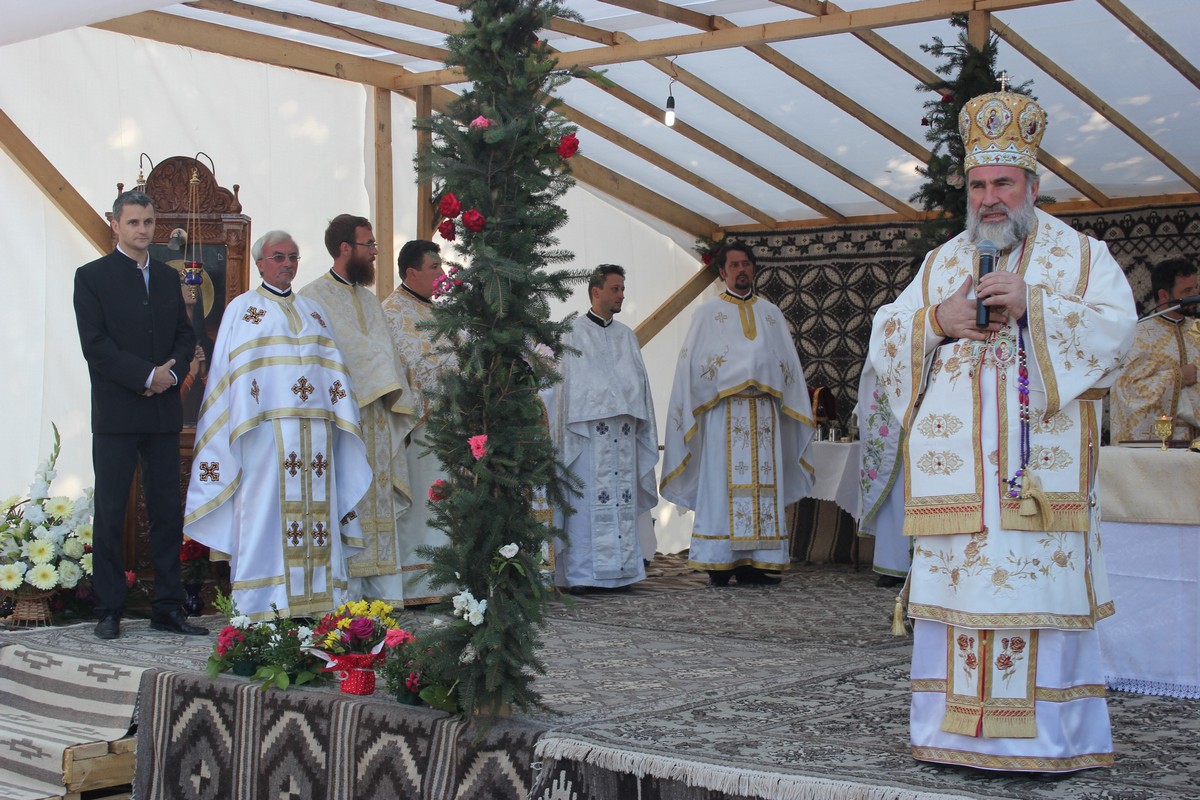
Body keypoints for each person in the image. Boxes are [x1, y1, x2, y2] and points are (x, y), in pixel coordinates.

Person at [868, 90, 1136, 774]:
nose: (990, 199)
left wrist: (1035, 308)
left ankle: (1049, 745)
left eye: (1004, 184)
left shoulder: (1082, 259)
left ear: (1033, 185)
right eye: (980, 184)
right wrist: (937, 322)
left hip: (1034, 491)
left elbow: (1118, 337)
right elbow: (885, 339)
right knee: (960, 601)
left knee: (1035, 598)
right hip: (959, 494)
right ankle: (954, 741)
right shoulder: (940, 265)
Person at [184, 231, 373, 619]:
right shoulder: (243, 309)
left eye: (293, 256)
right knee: (266, 513)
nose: (287, 263)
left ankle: (321, 605)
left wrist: (341, 419)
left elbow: (335, 376)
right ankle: (264, 605)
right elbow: (227, 379)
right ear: (260, 263)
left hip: (317, 436)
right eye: (278, 256)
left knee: (318, 512)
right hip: (264, 435)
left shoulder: (313, 311)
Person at [73, 190, 206, 639]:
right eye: (133, 223)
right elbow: (96, 347)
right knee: (111, 511)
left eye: (149, 222)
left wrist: (171, 370)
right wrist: (147, 375)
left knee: (167, 510)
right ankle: (109, 608)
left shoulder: (169, 280)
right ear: (115, 225)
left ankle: (167, 607)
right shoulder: (91, 277)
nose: (143, 230)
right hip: (116, 412)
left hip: (162, 413)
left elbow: (186, 336)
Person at [660, 242, 815, 586]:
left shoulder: (771, 314)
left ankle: (759, 561)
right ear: (723, 272)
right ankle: (722, 561)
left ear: (753, 269)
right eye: (735, 265)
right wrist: (731, 376)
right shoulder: (706, 314)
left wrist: (764, 376)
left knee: (764, 484)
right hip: (723, 414)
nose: (742, 269)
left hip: (763, 413)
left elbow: (787, 365)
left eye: (746, 264)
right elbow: (693, 368)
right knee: (721, 484)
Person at [298, 214, 415, 606]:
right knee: (348, 502)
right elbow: (321, 359)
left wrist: (398, 400)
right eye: (369, 245)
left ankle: (383, 600)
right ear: (345, 248)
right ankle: (346, 601)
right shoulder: (312, 297)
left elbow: (387, 355)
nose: (375, 253)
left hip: (379, 419)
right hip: (343, 421)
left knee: (379, 505)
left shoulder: (370, 300)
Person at [542, 265, 659, 593]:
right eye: (616, 289)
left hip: (622, 439)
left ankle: (623, 573)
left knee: (621, 504)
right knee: (586, 506)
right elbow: (564, 389)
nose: (622, 295)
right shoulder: (571, 333)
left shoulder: (627, 336)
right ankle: (583, 575)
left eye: (623, 288)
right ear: (596, 292)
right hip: (588, 440)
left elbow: (641, 390)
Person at [380, 240, 455, 605]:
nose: (441, 275)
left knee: (446, 505)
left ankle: (448, 581)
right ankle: (417, 587)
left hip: (451, 430)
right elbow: (396, 372)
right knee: (423, 506)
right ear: (412, 272)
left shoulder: (441, 314)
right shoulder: (390, 313)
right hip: (415, 430)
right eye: (434, 268)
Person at [1110, 257, 1200, 442]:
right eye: (1187, 291)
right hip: (1161, 445)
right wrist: (1177, 377)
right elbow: (1125, 390)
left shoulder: (1197, 330)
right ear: (1164, 295)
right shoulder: (1139, 334)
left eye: (1196, 287)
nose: (1196, 295)